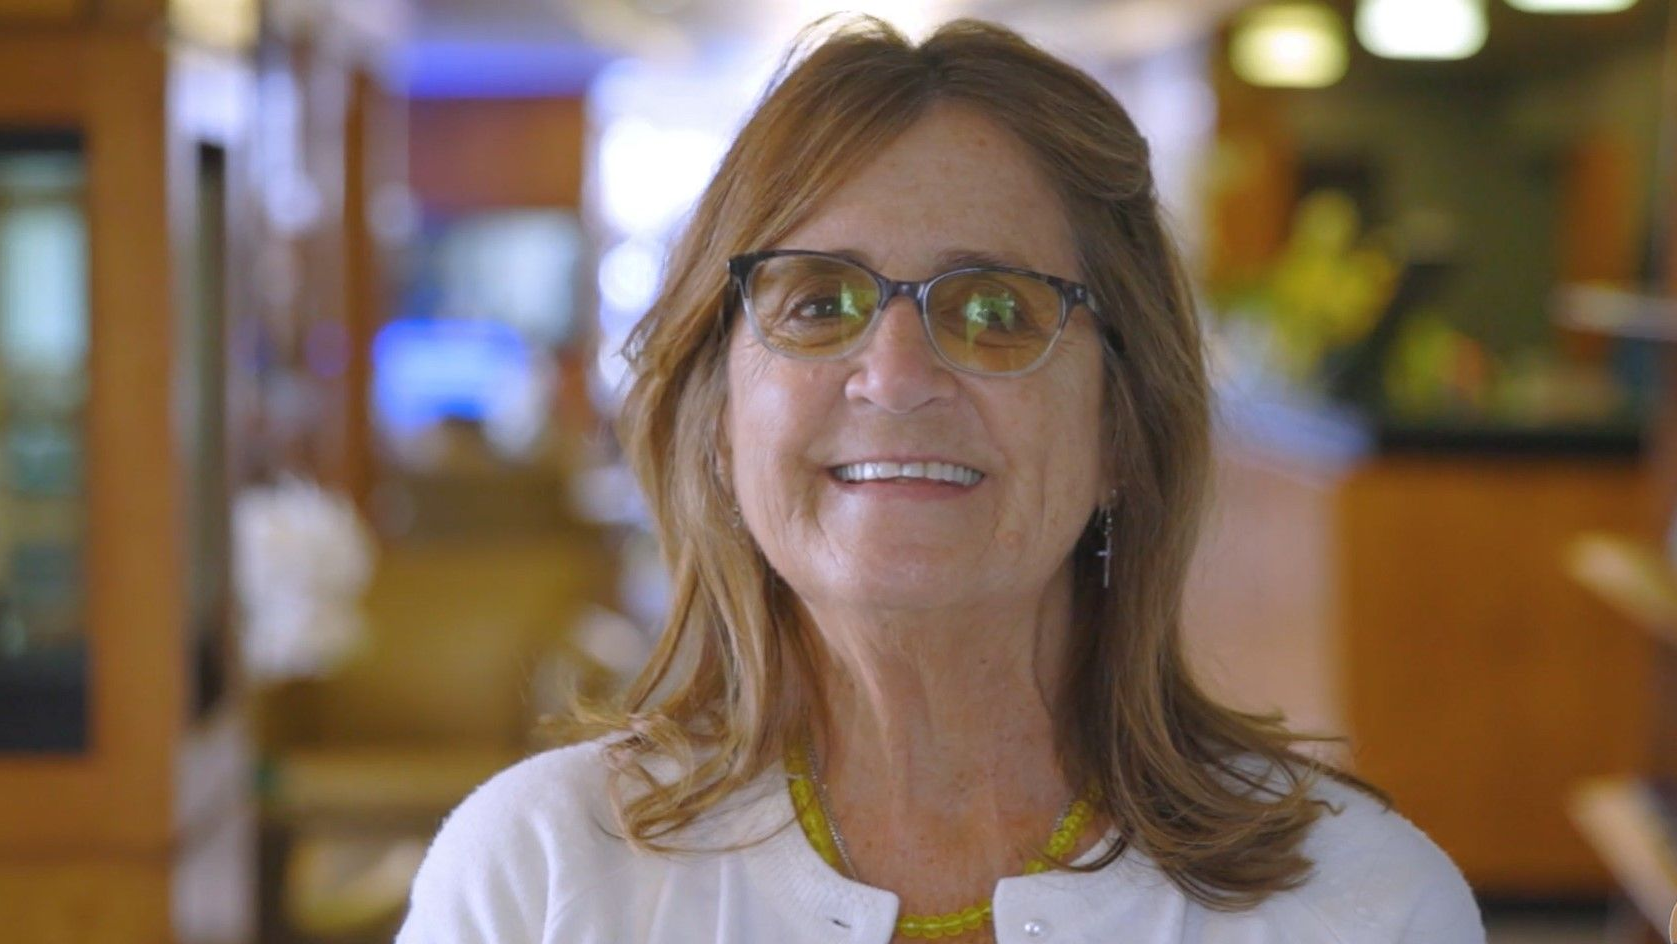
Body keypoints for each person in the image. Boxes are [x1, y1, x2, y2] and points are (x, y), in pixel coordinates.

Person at [395, 17, 1485, 944]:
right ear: (720, 420)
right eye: (818, 301)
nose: (898, 377)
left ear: (1122, 428)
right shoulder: (533, 880)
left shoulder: (1363, 905)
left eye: (997, 309)